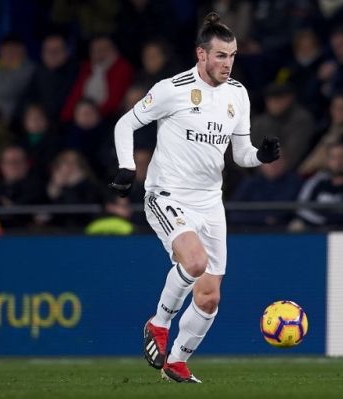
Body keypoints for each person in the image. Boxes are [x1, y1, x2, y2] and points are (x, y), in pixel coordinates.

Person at [108, 12, 280, 383]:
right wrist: (127, 168)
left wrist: (260, 156)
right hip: (167, 194)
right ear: (201, 54)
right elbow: (126, 123)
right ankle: (159, 322)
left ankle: (178, 362)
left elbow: (240, 154)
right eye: (220, 55)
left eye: (232, 55)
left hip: (210, 202)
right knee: (196, 261)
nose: (228, 63)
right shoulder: (173, 89)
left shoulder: (238, 94)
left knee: (209, 297)